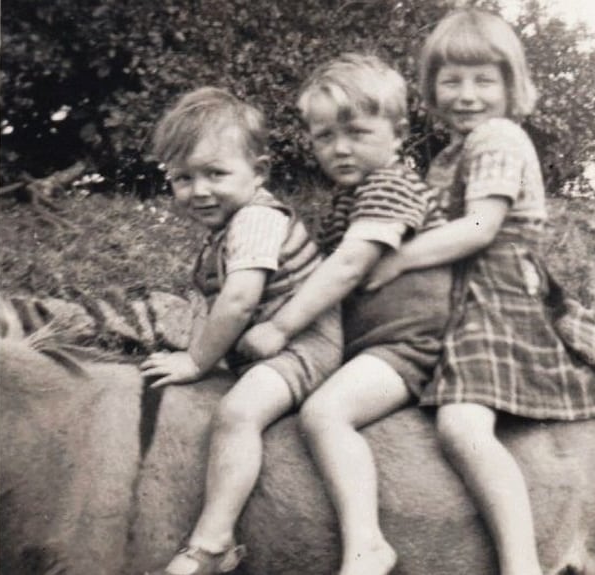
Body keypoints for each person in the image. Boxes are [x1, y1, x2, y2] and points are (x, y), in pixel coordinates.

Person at [362, 9, 595, 575]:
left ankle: (521, 565)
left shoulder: (498, 137)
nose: (467, 95)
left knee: (463, 427)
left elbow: (479, 228)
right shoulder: (449, 155)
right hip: (458, 298)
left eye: (483, 80)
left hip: (497, 297)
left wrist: (396, 263)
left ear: (511, 86)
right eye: (452, 80)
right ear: (431, 86)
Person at [235, 54, 452, 575]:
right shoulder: (346, 199)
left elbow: (350, 265)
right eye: (324, 136)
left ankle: (367, 544)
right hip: (379, 342)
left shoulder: (391, 186)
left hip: (416, 343)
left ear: (398, 134)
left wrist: (281, 326)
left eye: (356, 132)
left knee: (325, 413)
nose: (340, 148)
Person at [139, 87, 344, 575]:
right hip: (267, 346)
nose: (199, 190)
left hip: (303, 344)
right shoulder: (227, 227)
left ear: (260, 171)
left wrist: (195, 360)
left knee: (237, 414)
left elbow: (239, 300)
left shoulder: (255, 219)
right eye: (182, 178)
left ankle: (212, 544)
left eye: (215, 173)